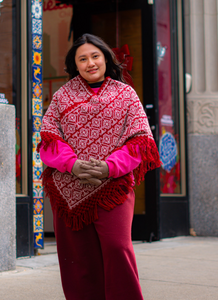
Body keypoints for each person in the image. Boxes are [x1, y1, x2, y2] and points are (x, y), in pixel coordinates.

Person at [38, 33, 161, 300]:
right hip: (69, 188)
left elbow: (140, 141)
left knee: (118, 249)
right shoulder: (61, 96)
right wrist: (73, 165)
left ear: (106, 58)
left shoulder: (126, 93)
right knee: (78, 260)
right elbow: (48, 140)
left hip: (113, 187)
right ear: (75, 64)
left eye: (95, 56)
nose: (90, 63)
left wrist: (108, 168)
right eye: (83, 59)